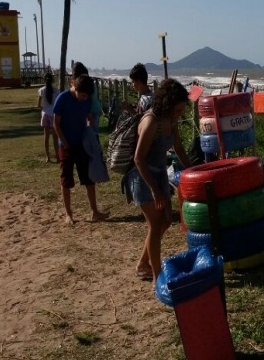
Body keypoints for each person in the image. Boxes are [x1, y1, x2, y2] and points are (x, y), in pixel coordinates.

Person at [124, 78, 190, 282]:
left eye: (181, 111)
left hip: (160, 173)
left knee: (166, 221)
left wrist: (194, 172)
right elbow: (138, 158)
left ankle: (143, 263)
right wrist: (154, 189)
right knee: (154, 223)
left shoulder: (171, 120)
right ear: (167, 105)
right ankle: (156, 275)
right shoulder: (151, 121)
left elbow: (178, 148)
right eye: (177, 110)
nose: (180, 115)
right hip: (143, 177)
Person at [53, 69, 109, 225]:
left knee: (89, 179)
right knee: (66, 180)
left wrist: (90, 129)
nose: (84, 99)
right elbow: (56, 124)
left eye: (86, 96)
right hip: (66, 146)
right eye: (82, 95)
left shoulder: (87, 99)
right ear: (74, 87)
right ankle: (68, 214)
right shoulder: (62, 99)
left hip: (82, 144)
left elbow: (88, 116)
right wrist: (64, 143)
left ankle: (94, 211)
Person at [37, 72, 60, 162]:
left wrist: (44, 108)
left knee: (46, 137)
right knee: (55, 138)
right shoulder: (56, 91)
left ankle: (48, 157)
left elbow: (38, 105)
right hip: (53, 115)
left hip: (45, 114)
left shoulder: (41, 90)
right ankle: (58, 157)